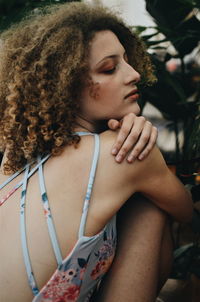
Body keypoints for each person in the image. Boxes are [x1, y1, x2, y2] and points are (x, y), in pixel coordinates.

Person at [0, 2, 193, 302]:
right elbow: (184, 208)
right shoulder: (120, 153)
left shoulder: (15, 156)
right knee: (150, 205)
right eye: (109, 68)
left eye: (128, 61)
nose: (134, 75)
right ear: (64, 86)